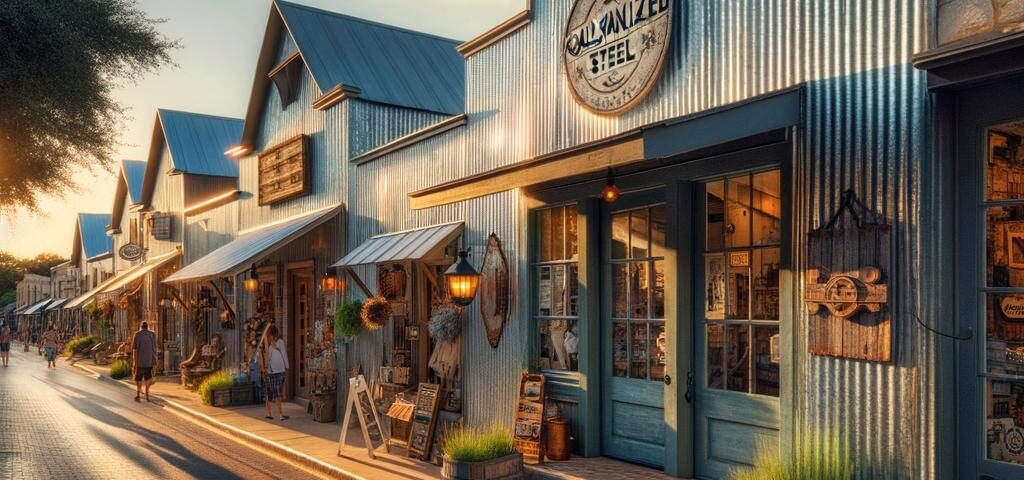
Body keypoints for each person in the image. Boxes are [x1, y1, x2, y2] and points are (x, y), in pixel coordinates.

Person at [260, 324, 289, 420]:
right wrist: (286, 366)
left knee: (271, 393)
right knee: (276, 392)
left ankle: (272, 414)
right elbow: (283, 354)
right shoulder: (277, 342)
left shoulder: (272, 342)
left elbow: (266, 355)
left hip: (272, 371)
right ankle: (279, 414)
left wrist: (265, 367)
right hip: (277, 370)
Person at [132, 321, 158, 402]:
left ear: (141, 327)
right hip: (149, 361)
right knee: (148, 378)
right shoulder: (152, 334)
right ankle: (147, 395)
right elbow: (154, 349)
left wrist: (134, 363)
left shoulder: (137, 334)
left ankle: (138, 395)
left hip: (140, 362)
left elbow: (135, 350)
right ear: (147, 327)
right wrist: (154, 361)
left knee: (138, 379)